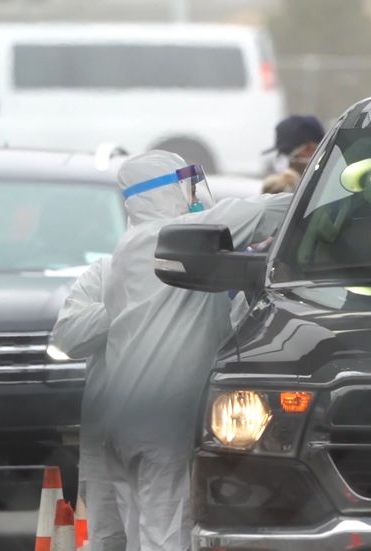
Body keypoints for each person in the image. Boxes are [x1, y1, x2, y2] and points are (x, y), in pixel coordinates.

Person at [96, 150, 291, 550]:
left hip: (122, 418)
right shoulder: (167, 236)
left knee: (140, 533)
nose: (194, 194)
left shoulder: (127, 249)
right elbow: (268, 211)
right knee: (168, 533)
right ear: (166, 191)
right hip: (162, 420)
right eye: (186, 185)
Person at [52, 258, 138, 551]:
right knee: (109, 535)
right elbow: (67, 337)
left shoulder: (202, 272)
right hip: (106, 434)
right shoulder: (108, 272)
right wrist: (128, 302)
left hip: (178, 431)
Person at [261, 114, 325, 194]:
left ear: (310, 148)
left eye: (287, 152)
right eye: (280, 153)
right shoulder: (288, 190)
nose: (285, 159)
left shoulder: (328, 185)